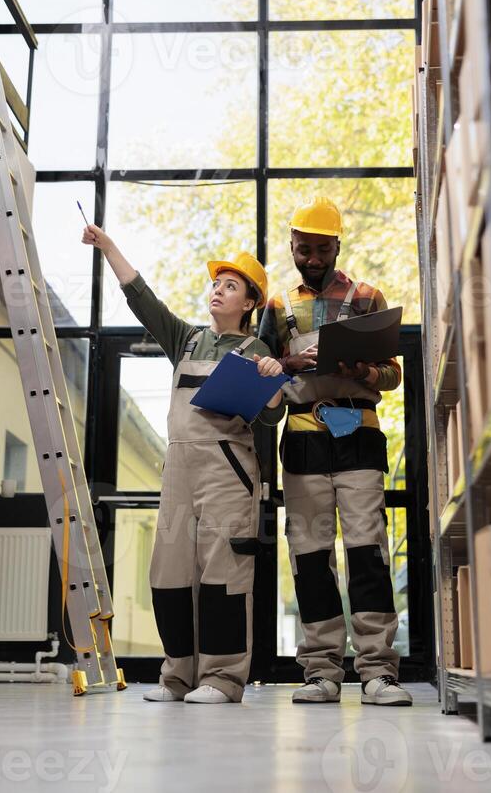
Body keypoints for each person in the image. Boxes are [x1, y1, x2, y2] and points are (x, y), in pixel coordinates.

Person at [83, 225, 284, 704]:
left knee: (224, 574)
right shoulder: (187, 339)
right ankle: (177, 676)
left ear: (250, 302)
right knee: (169, 572)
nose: (218, 290)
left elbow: (272, 413)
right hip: (178, 469)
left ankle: (222, 679)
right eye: (216, 283)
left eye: (230, 286)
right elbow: (142, 299)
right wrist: (110, 246)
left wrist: (274, 378)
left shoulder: (256, 351)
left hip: (227, 469)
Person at [259, 196, 413, 706]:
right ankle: (321, 670)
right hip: (303, 436)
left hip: (359, 434)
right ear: (293, 247)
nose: (314, 259)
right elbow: (262, 369)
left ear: (337, 246)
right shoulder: (277, 306)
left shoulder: (368, 297)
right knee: (309, 555)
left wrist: (361, 371)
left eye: (323, 250)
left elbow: (391, 374)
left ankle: (377, 671)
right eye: (305, 250)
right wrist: (288, 360)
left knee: (367, 550)